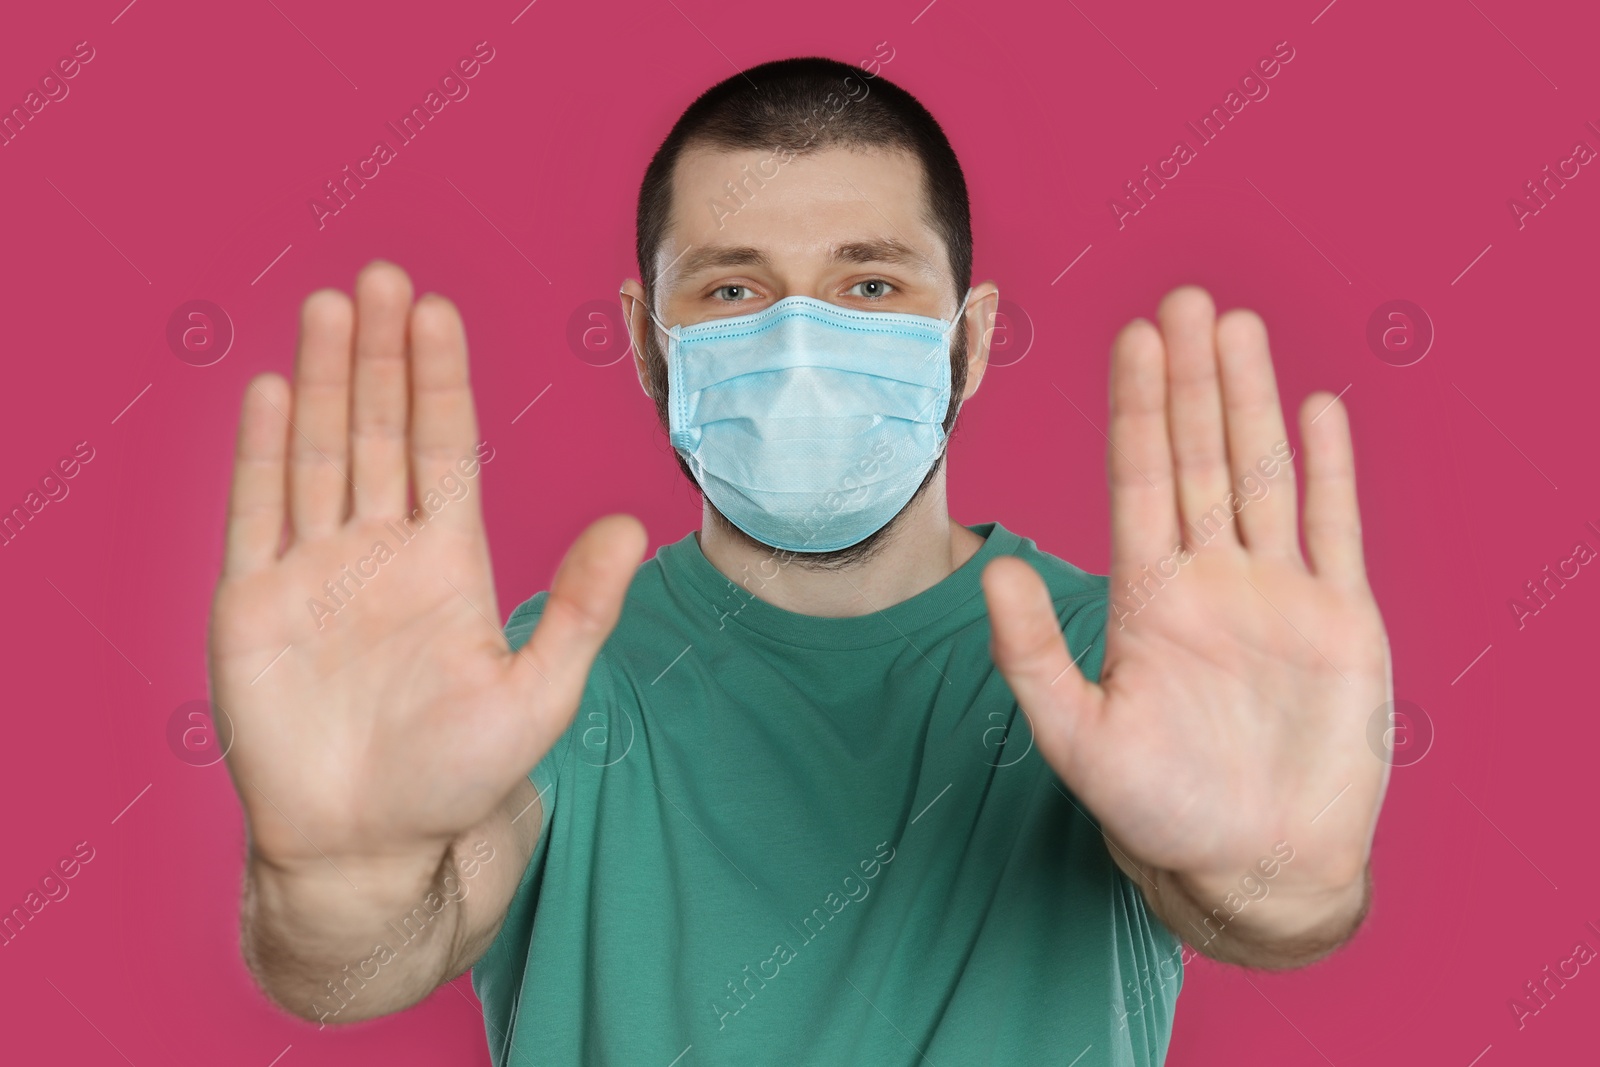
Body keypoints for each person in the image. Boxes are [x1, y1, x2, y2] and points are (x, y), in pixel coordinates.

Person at [210, 56, 1390, 1065]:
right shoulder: (537, 685)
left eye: (868, 284)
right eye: (733, 288)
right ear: (644, 344)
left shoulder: (1118, 665)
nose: (801, 341)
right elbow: (375, 947)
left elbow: (1254, 900)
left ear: (966, 341)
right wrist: (333, 885)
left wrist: (1283, 875)